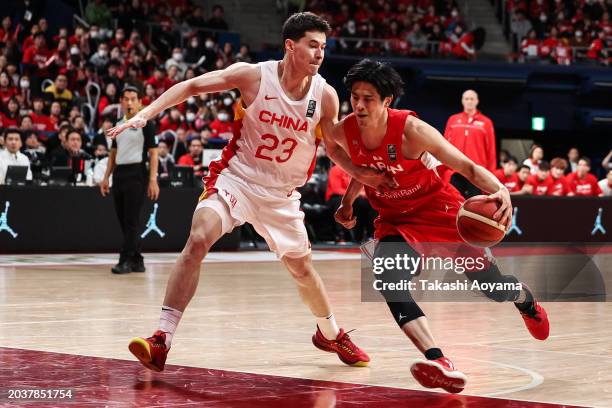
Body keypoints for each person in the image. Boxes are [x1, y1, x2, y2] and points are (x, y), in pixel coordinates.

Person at [108, 13, 391, 373]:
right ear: (291, 46)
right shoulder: (254, 76)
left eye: (324, 47)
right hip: (236, 179)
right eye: (313, 45)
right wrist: (145, 114)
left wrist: (361, 176)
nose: (320, 53)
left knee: (303, 270)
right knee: (198, 238)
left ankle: (330, 333)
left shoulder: (325, 96)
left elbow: (334, 150)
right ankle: (162, 338)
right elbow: (193, 86)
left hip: (281, 196)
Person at [328, 59, 549, 394]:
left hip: (440, 210)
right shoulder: (345, 128)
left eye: (368, 97)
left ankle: (524, 299)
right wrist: (348, 198)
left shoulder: (413, 131)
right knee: (388, 278)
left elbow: (467, 166)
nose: (358, 104)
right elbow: (334, 148)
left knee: (492, 288)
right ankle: (438, 360)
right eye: (355, 96)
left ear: (387, 100)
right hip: (395, 218)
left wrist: (500, 189)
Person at [100, 86, 160, 274]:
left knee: (131, 220)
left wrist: (152, 179)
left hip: (137, 174)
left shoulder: (146, 124)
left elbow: (154, 153)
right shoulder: (119, 124)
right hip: (119, 175)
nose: (129, 102)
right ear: (121, 101)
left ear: (140, 101)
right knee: (123, 220)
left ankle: (125, 260)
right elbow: (113, 153)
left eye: (133, 99)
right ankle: (138, 259)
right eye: (126, 99)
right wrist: (105, 177)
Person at [443, 89, 496, 198]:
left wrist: (491, 176)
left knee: (475, 206)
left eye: (472, 99)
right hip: (455, 170)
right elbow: (443, 146)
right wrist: (443, 170)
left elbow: (491, 150)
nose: (469, 101)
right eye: (467, 99)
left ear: (477, 101)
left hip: (476, 172)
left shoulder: (486, 122)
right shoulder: (453, 120)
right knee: (454, 203)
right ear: (462, 101)